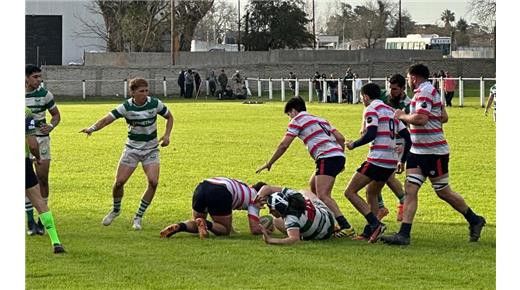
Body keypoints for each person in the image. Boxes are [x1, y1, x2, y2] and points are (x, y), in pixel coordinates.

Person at [381, 63, 486, 245]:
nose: (408, 82)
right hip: (417, 150)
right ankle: (404, 234)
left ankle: (475, 219)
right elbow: (443, 116)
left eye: (408, 78)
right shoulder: (429, 91)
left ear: (413, 77)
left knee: (443, 192)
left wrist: (402, 116)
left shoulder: (425, 91)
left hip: (433, 152)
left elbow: (421, 119)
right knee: (410, 189)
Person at [80, 78, 174, 230]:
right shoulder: (126, 107)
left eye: (146, 91)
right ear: (133, 92)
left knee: (153, 182)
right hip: (132, 149)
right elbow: (106, 119)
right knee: (119, 183)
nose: (145, 94)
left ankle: (138, 217)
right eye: (141, 91)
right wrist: (92, 129)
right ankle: (116, 210)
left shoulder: (155, 104)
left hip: (151, 149)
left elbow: (170, 117)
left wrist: (167, 135)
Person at [256, 96, 355, 237]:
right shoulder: (320, 119)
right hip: (336, 156)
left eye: (289, 115)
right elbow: (340, 138)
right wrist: (340, 154)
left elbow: (284, 144)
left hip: (326, 157)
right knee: (313, 185)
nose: (289, 119)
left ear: (294, 111)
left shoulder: (297, 121)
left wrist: (269, 162)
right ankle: (327, 220)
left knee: (323, 195)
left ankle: (346, 226)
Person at [344, 83, 412, 243]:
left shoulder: (371, 109)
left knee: (350, 192)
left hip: (377, 159)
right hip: (390, 161)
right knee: (371, 193)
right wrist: (402, 160)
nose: (362, 101)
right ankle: (369, 232)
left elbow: (371, 133)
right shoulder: (391, 111)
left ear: (366, 97)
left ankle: (375, 224)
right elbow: (407, 137)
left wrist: (354, 144)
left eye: (361, 98)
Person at [160, 178, 265, 239]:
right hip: (220, 191)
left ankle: (180, 226)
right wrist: (267, 229)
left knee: (197, 223)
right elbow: (255, 230)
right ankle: (206, 223)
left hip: (202, 186)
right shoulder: (256, 198)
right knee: (224, 230)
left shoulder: (242, 185)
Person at [25, 64, 62, 236]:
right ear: (25, 77)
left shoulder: (45, 94)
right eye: (35, 77)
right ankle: (30, 221)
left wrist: (51, 125)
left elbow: (56, 115)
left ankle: (42, 220)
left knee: (42, 179)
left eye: (40, 77)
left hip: (41, 140)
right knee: (26, 183)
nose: (39, 80)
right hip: (24, 141)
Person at [25, 107, 65, 253]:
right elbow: (33, 144)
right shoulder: (25, 112)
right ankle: (56, 242)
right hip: (23, 163)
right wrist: (37, 157)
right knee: (39, 202)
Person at [373, 74, 411, 221]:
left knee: (384, 176)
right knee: (378, 176)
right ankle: (389, 205)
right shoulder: (383, 96)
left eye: (394, 89)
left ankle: (395, 204)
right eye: (390, 87)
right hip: (381, 140)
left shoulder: (407, 105)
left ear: (402, 88)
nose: (391, 91)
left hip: (397, 143)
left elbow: (408, 127)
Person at [254, 185, 335, 245]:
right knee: (304, 191)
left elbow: (294, 239)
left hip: (323, 235)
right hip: (329, 218)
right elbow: (268, 188)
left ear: (276, 210)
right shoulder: (294, 195)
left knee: (276, 221)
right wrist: (259, 197)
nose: (270, 212)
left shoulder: (291, 218)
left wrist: (270, 240)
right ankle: (338, 223)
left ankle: (300, 231)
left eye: (271, 210)